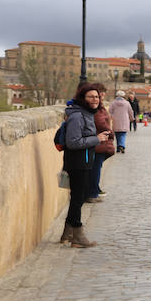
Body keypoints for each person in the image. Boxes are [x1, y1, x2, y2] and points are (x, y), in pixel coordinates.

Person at [61, 83, 111, 248]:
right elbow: (73, 142)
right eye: (90, 96)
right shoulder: (77, 116)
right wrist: (97, 139)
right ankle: (77, 235)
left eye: (96, 96)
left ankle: (67, 233)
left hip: (84, 160)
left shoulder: (86, 113)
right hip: (77, 162)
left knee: (78, 197)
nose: (95, 99)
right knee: (78, 198)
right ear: (82, 98)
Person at [86, 83, 115, 203]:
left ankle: (94, 189)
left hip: (100, 142)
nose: (102, 95)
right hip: (99, 142)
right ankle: (92, 193)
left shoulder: (100, 106)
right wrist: (111, 133)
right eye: (101, 93)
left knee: (96, 167)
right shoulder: (97, 108)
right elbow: (100, 122)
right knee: (95, 168)